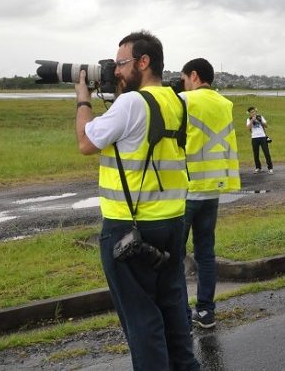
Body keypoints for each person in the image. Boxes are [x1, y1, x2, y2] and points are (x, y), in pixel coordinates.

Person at [74, 31, 198, 370]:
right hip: (172, 222)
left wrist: (83, 98)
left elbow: (86, 142)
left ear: (143, 63)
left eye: (121, 64)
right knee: (173, 311)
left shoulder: (131, 104)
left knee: (141, 318)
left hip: (130, 229)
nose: (115, 70)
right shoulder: (175, 100)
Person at [179, 58, 241, 329]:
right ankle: (206, 311)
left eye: (183, 79)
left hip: (186, 189)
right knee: (206, 254)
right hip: (213, 189)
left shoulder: (184, 101)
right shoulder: (224, 104)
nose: (183, 85)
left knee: (175, 256)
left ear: (194, 76)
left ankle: (181, 313)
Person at [246, 106, 274, 174]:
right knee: (256, 154)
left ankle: (270, 168)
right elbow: (248, 128)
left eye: (254, 112)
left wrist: (260, 121)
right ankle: (258, 167)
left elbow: (266, 126)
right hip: (254, 137)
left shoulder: (260, 117)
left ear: (256, 112)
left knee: (266, 153)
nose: (253, 113)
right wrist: (252, 120)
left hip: (262, 137)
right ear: (249, 113)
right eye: (251, 112)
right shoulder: (248, 119)